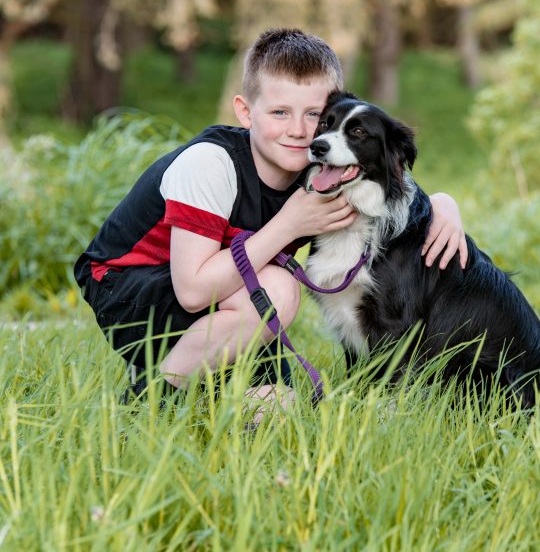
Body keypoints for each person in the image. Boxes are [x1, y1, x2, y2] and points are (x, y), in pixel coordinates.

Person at [74, 28, 468, 405]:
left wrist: (441, 204)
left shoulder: (320, 168)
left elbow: (386, 181)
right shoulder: (210, 163)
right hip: (129, 287)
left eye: (314, 114)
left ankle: (202, 384)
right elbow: (192, 291)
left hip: (234, 296)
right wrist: (290, 225)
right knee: (278, 289)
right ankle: (151, 398)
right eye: (279, 112)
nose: (298, 130)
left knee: (273, 408)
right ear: (246, 112)